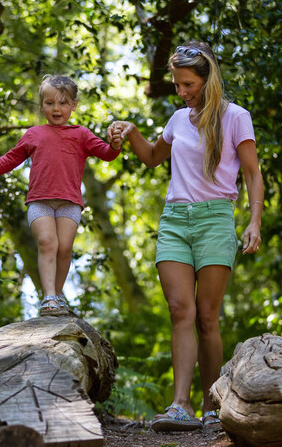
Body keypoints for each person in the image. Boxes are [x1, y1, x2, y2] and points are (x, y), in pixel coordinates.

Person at [108, 41, 263, 433]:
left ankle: (212, 404)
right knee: (181, 310)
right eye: (177, 85)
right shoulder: (178, 120)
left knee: (207, 317)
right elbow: (152, 158)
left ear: (208, 80)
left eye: (188, 84)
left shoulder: (236, 117)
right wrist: (131, 131)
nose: (182, 92)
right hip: (175, 220)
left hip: (215, 219)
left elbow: (252, 174)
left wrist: (254, 221)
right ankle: (180, 405)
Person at [0, 74, 123, 316]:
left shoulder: (81, 134)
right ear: (42, 105)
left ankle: (57, 296)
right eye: (50, 103)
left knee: (65, 248)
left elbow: (107, 153)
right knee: (48, 243)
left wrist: (116, 144)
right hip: (40, 202)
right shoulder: (34, 134)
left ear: (74, 105)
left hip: (69, 203)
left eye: (63, 102)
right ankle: (48, 298)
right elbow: (9, 160)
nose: (56, 108)